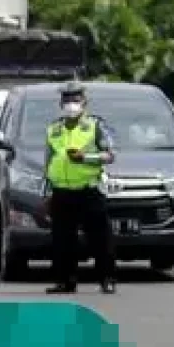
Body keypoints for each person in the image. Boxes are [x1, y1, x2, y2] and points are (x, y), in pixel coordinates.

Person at [42, 81, 117, 295]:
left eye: (75, 100)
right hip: (62, 192)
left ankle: (107, 279)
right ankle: (65, 281)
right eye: (67, 100)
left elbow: (110, 155)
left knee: (100, 239)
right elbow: (48, 163)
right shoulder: (53, 130)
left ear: (84, 102)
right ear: (60, 103)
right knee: (62, 240)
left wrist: (86, 158)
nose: (71, 104)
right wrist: (46, 192)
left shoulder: (95, 126)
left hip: (88, 190)